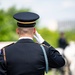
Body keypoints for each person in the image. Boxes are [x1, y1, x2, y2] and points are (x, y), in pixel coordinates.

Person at [0, 12, 65, 75]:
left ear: (17, 31)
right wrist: (44, 42)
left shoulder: (5, 52)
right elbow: (60, 62)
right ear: (34, 31)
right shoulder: (43, 50)